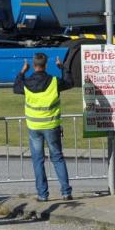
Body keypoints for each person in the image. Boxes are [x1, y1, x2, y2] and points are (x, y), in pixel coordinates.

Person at [15, 53, 73, 202]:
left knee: (38, 160)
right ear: (46, 65)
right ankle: (66, 192)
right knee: (58, 158)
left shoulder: (27, 82)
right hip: (51, 125)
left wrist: (22, 71)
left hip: (34, 126)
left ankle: (42, 194)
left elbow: (16, 87)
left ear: (34, 66)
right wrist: (62, 67)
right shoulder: (54, 81)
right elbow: (70, 82)